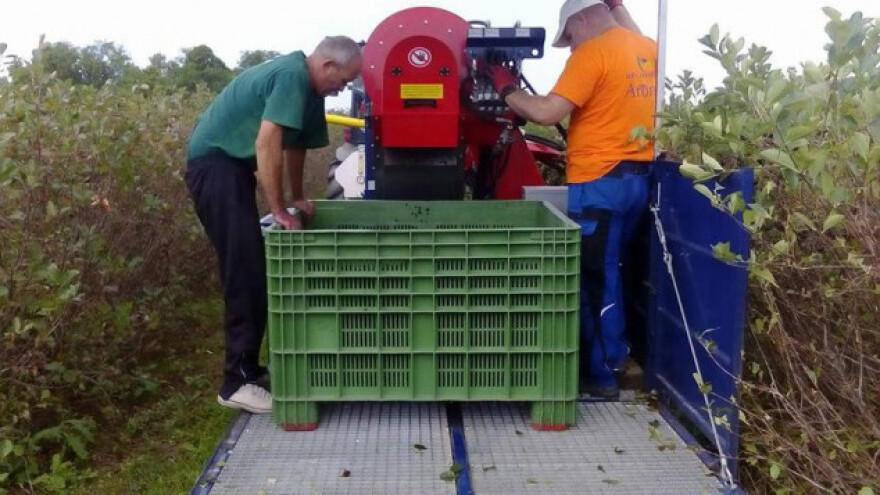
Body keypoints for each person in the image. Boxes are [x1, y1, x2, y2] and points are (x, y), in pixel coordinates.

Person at [486, 0, 657, 398]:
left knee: (594, 278)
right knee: (614, 269)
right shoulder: (645, 49)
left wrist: (505, 88)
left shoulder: (593, 52)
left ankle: (601, 375)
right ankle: (617, 356)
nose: (572, 45)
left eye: (570, 36)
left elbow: (546, 112)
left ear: (582, 20)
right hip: (637, 179)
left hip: (599, 185)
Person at [185, 36, 362, 413]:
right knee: (244, 269)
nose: (342, 88)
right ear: (327, 65)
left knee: (253, 265)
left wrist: (297, 198)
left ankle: (249, 368)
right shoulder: (291, 75)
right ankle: (235, 382)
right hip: (215, 167)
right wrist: (278, 208)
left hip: (232, 170)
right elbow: (268, 143)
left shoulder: (311, 94)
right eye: (344, 80)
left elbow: (294, 147)